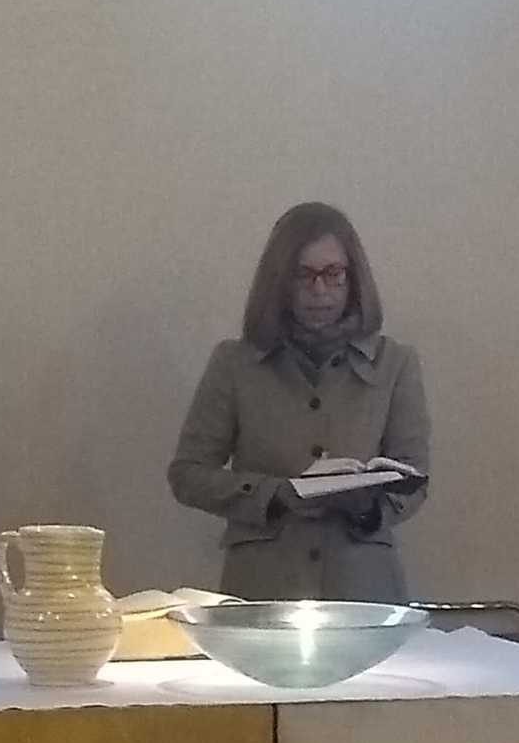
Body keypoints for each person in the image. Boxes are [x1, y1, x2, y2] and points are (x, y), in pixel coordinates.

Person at [169, 202, 430, 602]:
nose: (319, 291)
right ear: (279, 281)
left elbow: (414, 479)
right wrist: (274, 494)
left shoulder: (395, 363)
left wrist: (366, 507)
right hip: (264, 587)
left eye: (333, 274)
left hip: (362, 589)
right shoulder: (235, 363)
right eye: (303, 275)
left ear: (354, 278)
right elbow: (188, 474)